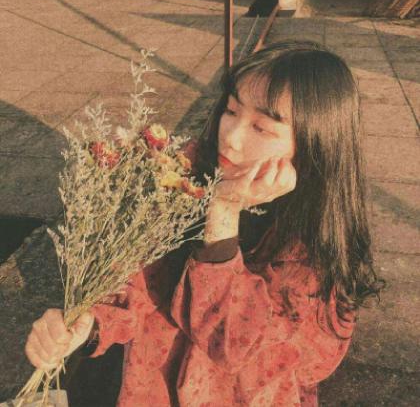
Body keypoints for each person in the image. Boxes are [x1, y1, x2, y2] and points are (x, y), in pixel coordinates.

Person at [24, 40, 384, 406]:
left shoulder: (315, 251)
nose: (231, 137)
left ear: (314, 146)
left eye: (261, 128)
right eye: (231, 110)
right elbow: (139, 282)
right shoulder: (186, 177)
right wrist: (89, 324)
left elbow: (236, 348)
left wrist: (223, 216)